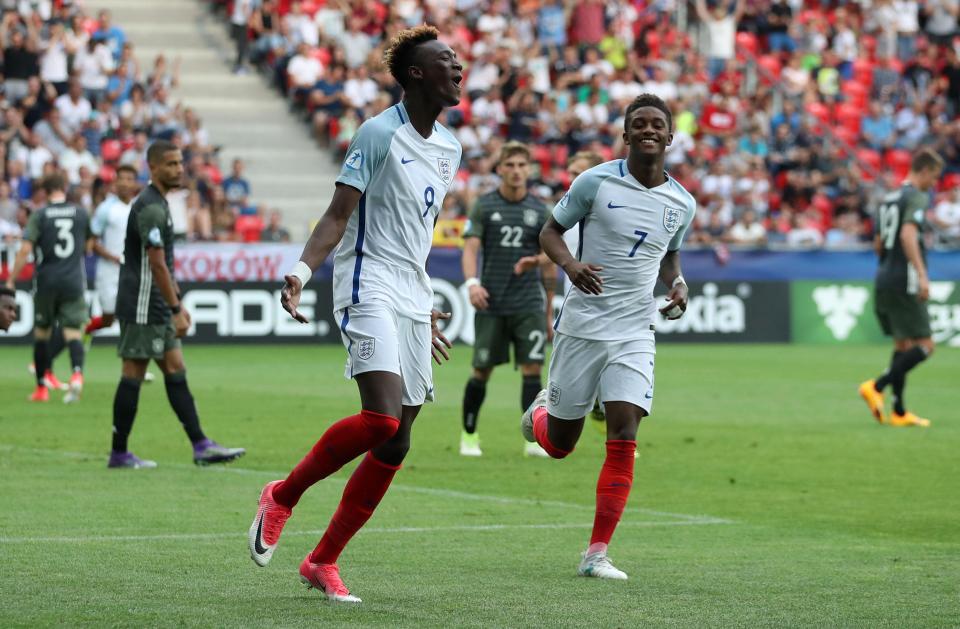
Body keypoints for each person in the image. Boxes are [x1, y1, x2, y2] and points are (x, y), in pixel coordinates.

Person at [247, 25, 463, 604]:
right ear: (416, 73)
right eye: (447, 60)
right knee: (382, 421)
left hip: (412, 295)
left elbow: (415, 229)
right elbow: (338, 214)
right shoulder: (378, 133)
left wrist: (422, 308)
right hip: (367, 280)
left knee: (397, 442)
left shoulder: (450, 147)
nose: (459, 68)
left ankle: (322, 561)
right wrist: (300, 269)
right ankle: (283, 496)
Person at [521, 94, 695, 580]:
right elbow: (550, 232)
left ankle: (596, 554)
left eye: (656, 124)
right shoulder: (594, 181)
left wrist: (677, 284)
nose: (647, 130)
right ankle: (539, 412)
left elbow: (669, 257)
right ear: (625, 134)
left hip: (636, 329)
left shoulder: (682, 202)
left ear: (669, 136)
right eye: (638, 123)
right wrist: (571, 266)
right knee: (560, 444)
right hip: (582, 327)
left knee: (624, 433)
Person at [108, 141, 246, 469]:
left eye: (180, 163)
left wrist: (177, 302)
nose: (179, 169)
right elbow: (156, 263)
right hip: (144, 302)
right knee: (134, 371)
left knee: (174, 368)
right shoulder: (152, 207)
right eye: (170, 164)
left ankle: (200, 444)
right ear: (153, 168)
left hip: (155, 301)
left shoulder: (159, 203)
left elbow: (163, 263)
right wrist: (173, 309)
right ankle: (120, 452)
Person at [459, 141, 557, 457]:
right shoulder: (484, 206)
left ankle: (533, 439)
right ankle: (469, 435)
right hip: (493, 301)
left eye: (521, 165)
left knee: (532, 368)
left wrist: (547, 300)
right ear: (499, 169)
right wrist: (473, 284)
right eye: (510, 165)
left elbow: (551, 255)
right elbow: (471, 247)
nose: (516, 171)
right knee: (481, 370)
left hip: (528, 301)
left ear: (529, 170)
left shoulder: (540, 210)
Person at [858, 148, 944, 428]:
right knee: (926, 346)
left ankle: (899, 411)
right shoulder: (915, 197)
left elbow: (879, 243)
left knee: (902, 345)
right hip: (904, 279)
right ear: (924, 170)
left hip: (884, 276)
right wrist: (921, 275)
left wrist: (889, 267)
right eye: (934, 176)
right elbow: (908, 234)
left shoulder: (888, 198)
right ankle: (877, 385)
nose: (934, 183)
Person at [6, 174, 91, 403]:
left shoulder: (40, 215)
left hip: (46, 280)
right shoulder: (81, 213)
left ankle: (41, 389)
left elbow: (25, 250)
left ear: (44, 191)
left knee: (42, 333)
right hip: (73, 280)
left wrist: (11, 279)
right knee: (73, 331)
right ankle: (76, 375)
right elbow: (90, 244)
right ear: (65, 187)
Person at [86, 165, 141, 337]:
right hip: (109, 271)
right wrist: (113, 257)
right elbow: (91, 243)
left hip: (132, 271)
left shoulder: (140, 207)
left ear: (135, 184)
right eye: (121, 179)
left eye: (129, 179)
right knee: (108, 319)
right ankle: (81, 332)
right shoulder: (106, 208)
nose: (125, 183)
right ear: (115, 182)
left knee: (133, 315)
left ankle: (132, 357)